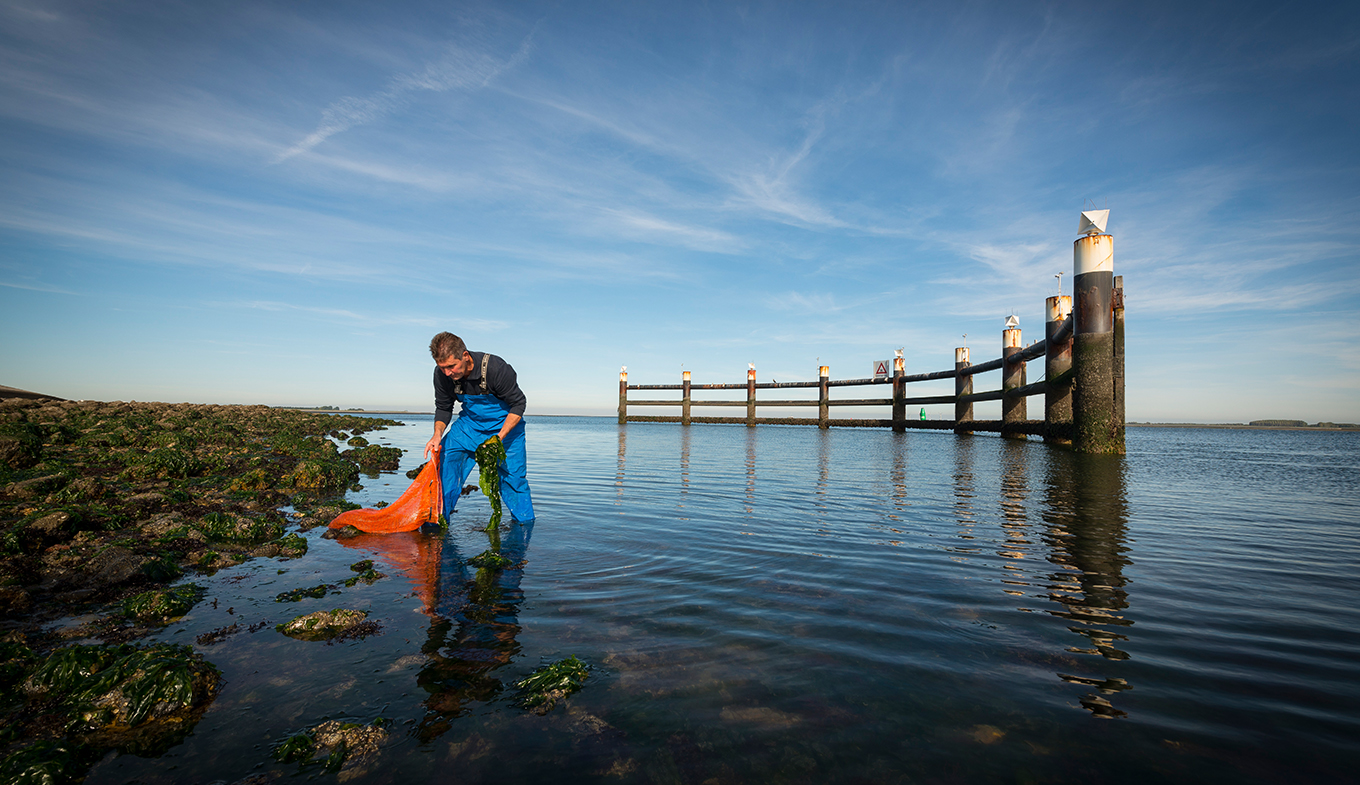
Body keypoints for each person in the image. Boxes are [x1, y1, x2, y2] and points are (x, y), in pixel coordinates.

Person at [423, 332, 534, 522]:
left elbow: (518, 404)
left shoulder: (496, 368)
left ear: (465, 356)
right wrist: (436, 435)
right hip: (468, 428)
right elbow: (443, 406)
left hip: (505, 431)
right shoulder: (442, 376)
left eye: (452, 366)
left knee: (514, 481)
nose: (447, 373)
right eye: (442, 368)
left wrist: (498, 438)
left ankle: (523, 530)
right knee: (444, 469)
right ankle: (437, 525)